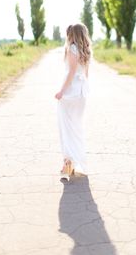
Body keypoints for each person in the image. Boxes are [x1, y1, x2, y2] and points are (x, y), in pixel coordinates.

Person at [55, 23, 92, 180]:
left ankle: (68, 164)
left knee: (66, 128)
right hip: (82, 93)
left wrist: (61, 91)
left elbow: (70, 73)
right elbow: (86, 73)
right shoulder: (86, 51)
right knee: (76, 127)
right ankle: (72, 163)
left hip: (71, 93)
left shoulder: (72, 49)